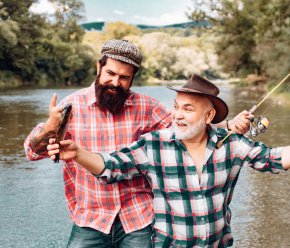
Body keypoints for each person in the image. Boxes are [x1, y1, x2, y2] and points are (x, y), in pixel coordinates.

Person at [47, 74, 290, 247]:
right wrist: (78, 154)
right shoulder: (155, 145)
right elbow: (110, 166)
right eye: (176, 107)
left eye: (188, 109)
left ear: (209, 116)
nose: (177, 115)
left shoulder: (232, 144)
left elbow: (275, 159)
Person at [24, 40, 251, 247]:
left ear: (133, 78)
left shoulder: (147, 107)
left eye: (124, 77)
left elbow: (190, 133)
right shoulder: (71, 104)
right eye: (110, 73)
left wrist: (229, 128)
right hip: (89, 219)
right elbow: (32, 152)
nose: (115, 82)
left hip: (138, 219)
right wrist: (51, 126)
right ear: (98, 68)